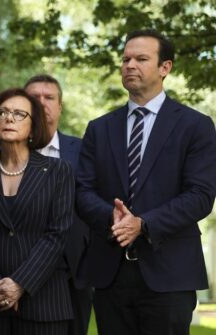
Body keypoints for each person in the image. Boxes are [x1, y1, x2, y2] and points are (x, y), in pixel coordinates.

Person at [76, 29, 216, 334]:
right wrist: (111, 217)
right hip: (110, 273)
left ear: (165, 68)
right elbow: (82, 191)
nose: (129, 65)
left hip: (170, 274)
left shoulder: (196, 126)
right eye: (126, 59)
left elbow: (201, 195)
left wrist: (144, 223)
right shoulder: (99, 129)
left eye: (141, 59)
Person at [0, 74, 92, 335]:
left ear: (60, 105)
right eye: (35, 98)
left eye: (49, 98)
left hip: (69, 273)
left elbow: (84, 207)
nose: (42, 103)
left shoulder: (80, 151)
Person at [0, 88, 74, 334]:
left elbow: (57, 235)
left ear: (33, 125)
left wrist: (20, 283)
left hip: (44, 305)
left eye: (18, 114)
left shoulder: (59, 171)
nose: (8, 118)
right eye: (2, 112)